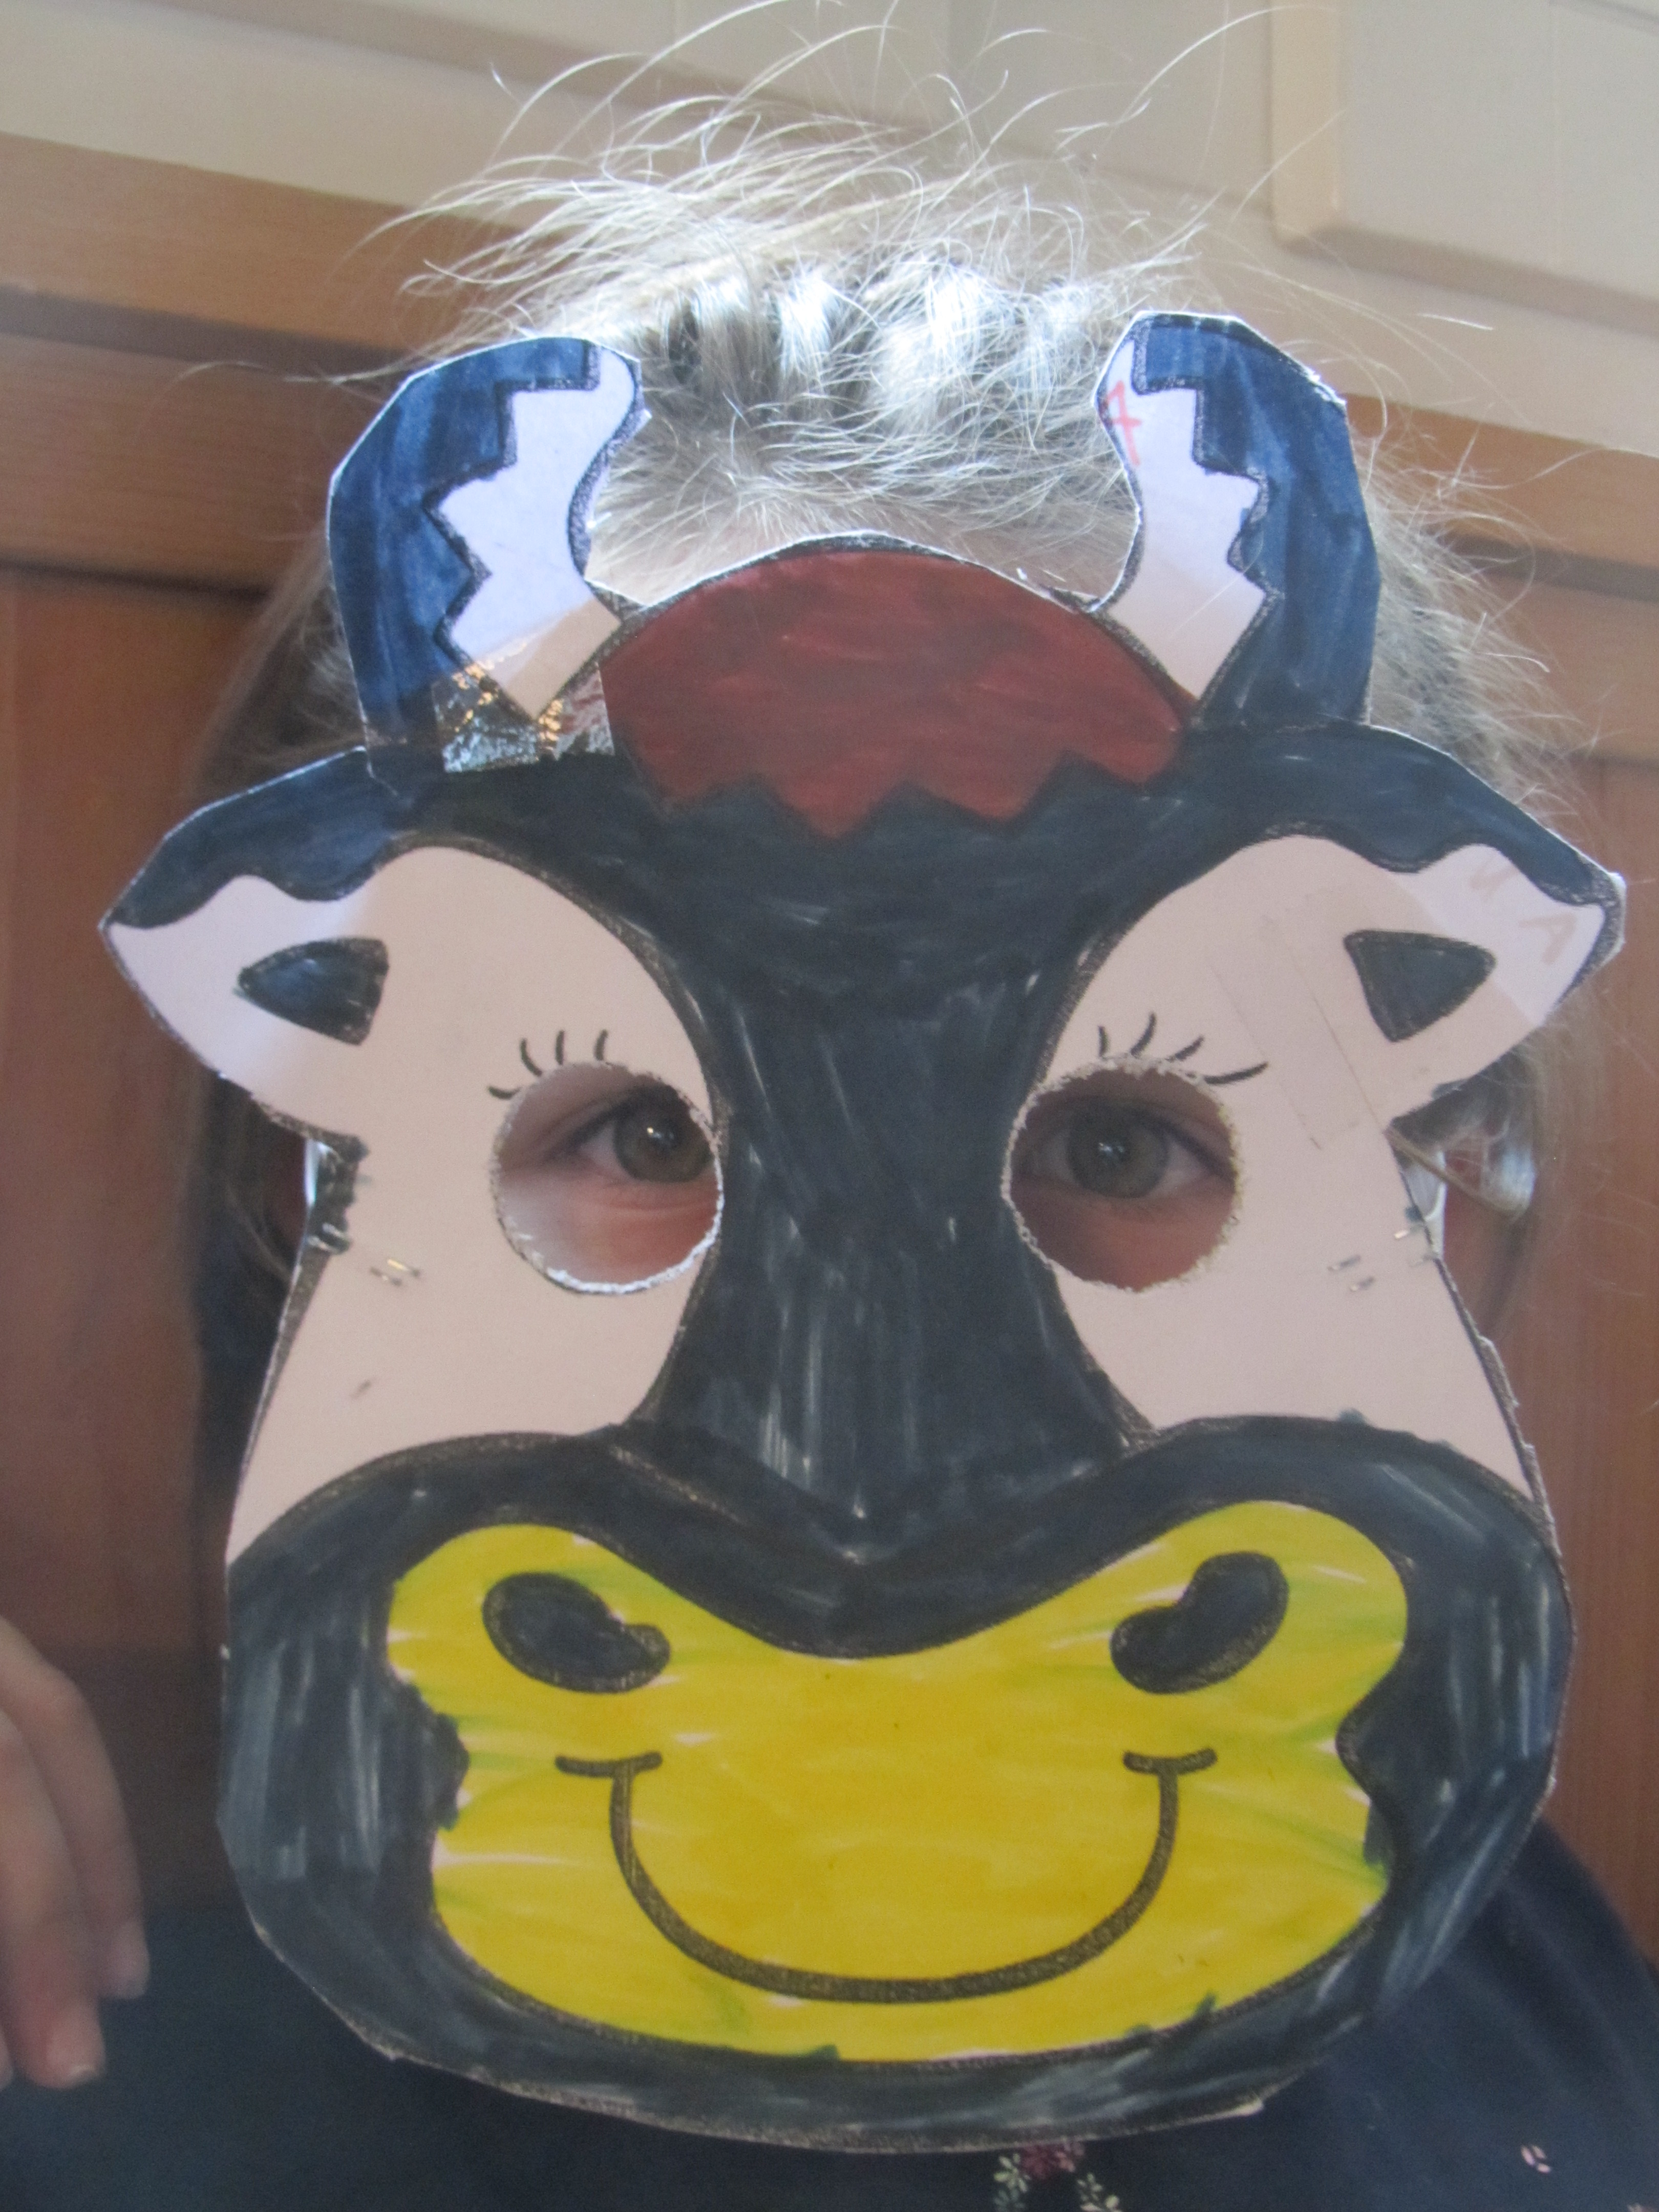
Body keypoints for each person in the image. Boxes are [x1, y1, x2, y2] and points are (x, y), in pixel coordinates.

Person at [3, 106, 1657, 2211]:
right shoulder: (136, 2084)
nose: (879, 1501)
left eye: (1127, 1140)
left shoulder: (1511, 1979)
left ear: (1434, 1174)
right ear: (306, 1177)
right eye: (637, 1133)